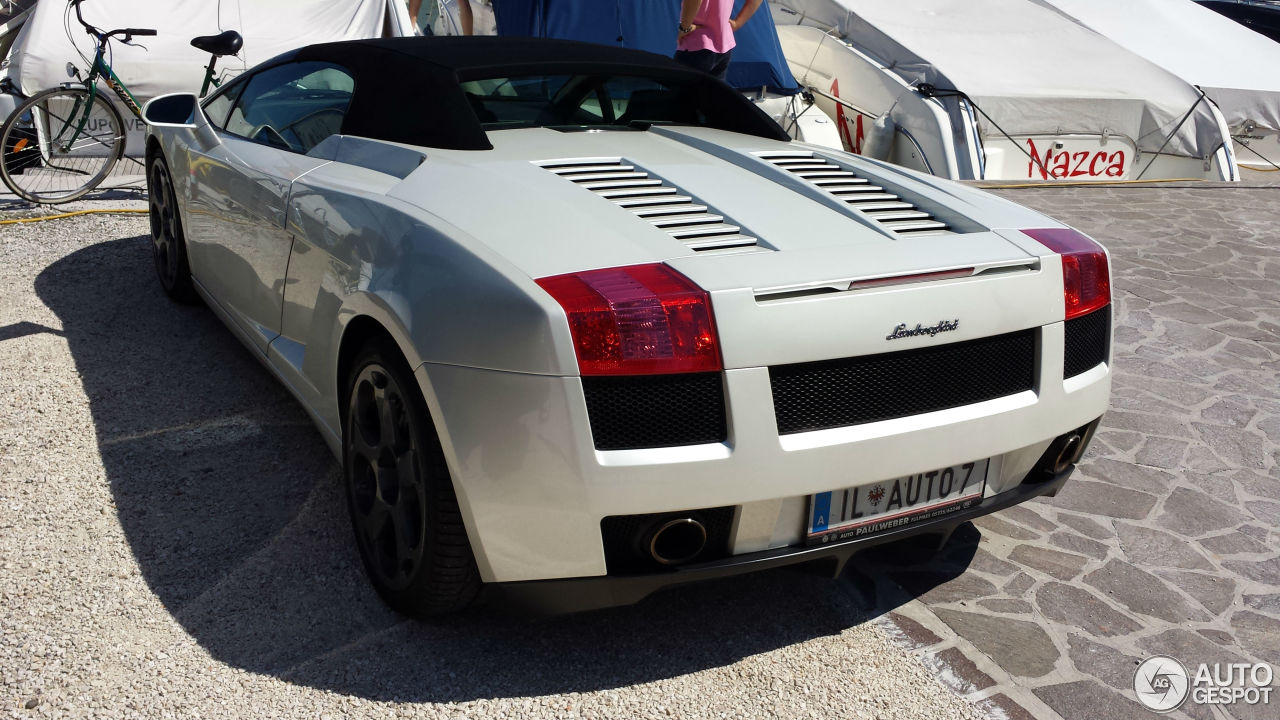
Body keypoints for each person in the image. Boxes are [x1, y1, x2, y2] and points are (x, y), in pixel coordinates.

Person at [675, 0, 763, 82]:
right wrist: (737, 23)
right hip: (723, 44)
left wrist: (684, 28)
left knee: (683, 96)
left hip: (695, 44)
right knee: (714, 96)